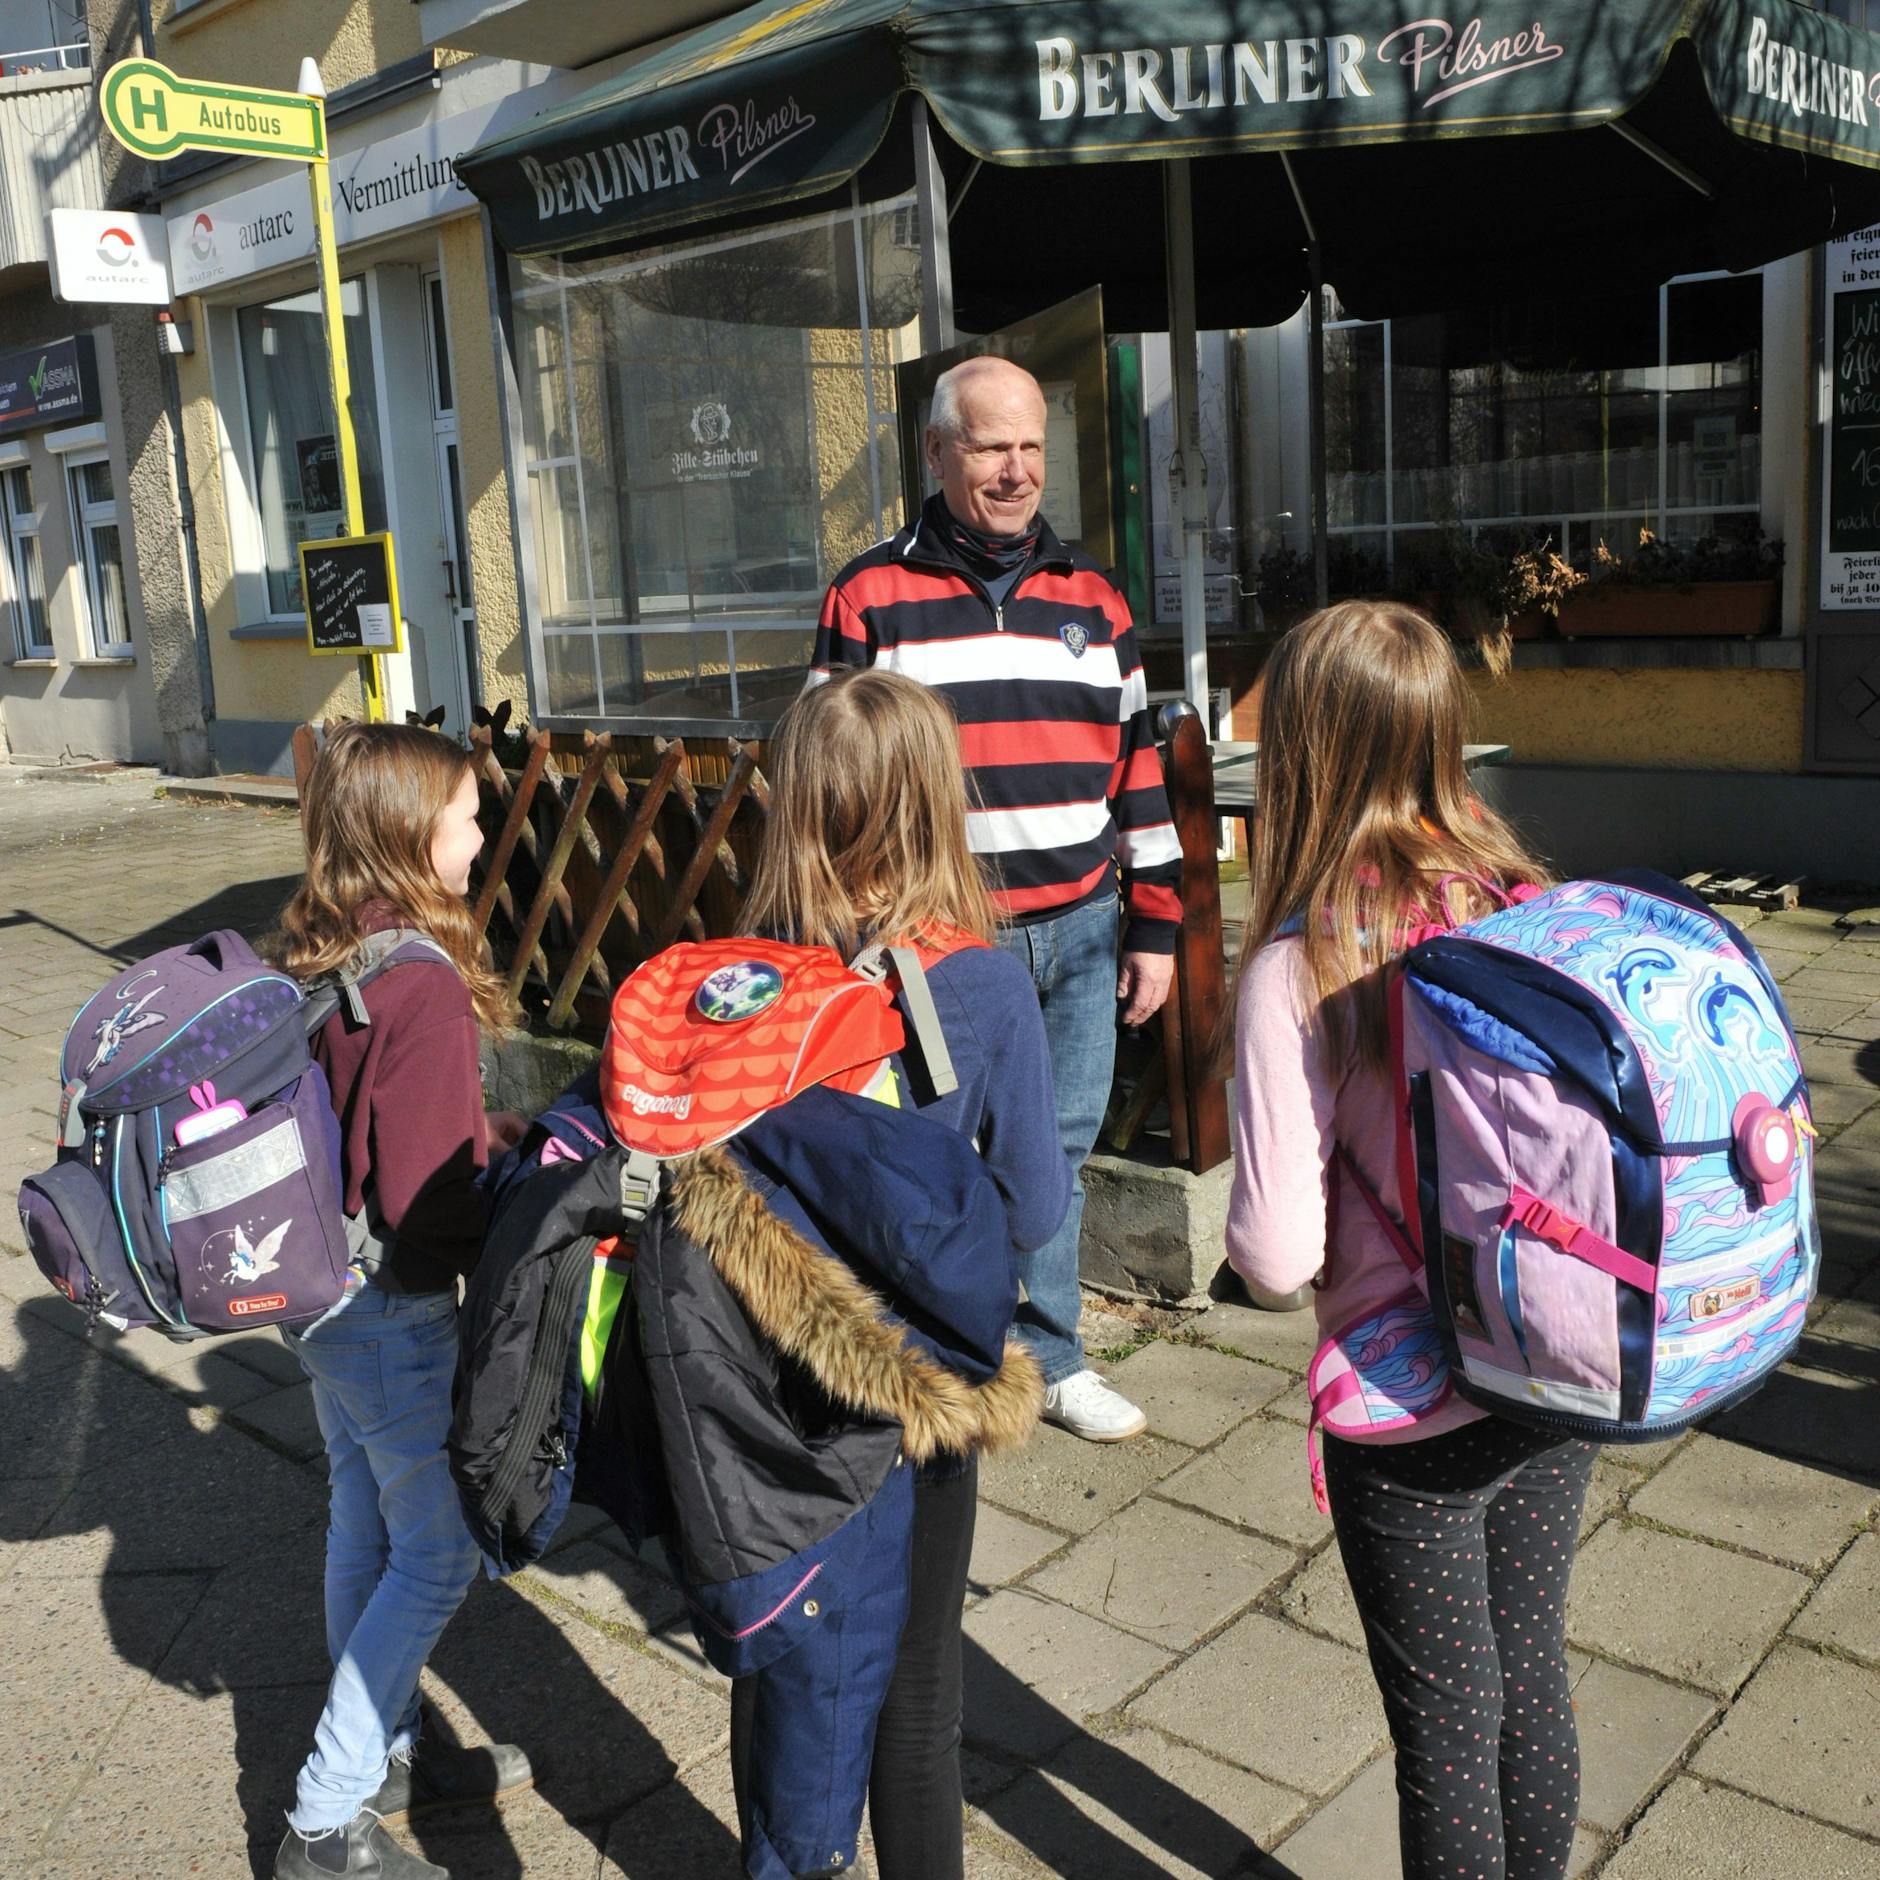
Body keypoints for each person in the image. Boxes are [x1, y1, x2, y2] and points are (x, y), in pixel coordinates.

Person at [1226, 603, 1595, 1880]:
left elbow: (1272, 1255)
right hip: (1549, 1356)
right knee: (1529, 1671)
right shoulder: (1525, 902)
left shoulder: (1297, 968)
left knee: (1444, 1722)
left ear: (1305, 751)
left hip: (1405, 1403)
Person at [734, 667, 1071, 1880]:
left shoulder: (746, 969)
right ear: (937, 802)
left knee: (783, 1653)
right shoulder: (980, 982)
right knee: (918, 1690)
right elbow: (1033, 1202)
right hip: (917, 1389)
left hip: (765, 1379)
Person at [810, 355, 1181, 1442]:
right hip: (933, 941)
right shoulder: (867, 596)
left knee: (1051, 1154)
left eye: (1029, 447)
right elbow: (832, 778)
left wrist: (1153, 924)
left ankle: (1053, 1358)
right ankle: (932, 1353)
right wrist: (852, 924)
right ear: (936, 454)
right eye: (988, 447)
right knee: (921, 1152)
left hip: (1076, 928)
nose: (1015, 471)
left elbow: (1138, 773)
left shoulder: (1094, 599)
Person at [265, 723, 533, 1880]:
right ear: (410, 830)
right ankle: (325, 1816)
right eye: (469, 814)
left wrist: (480, 1134)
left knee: (361, 1519)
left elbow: (367, 1124)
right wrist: (521, 1217)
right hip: (391, 1306)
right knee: (439, 1549)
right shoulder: (419, 982)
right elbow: (430, 1198)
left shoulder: (328, 949)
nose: (483, 836)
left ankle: (387, 1750)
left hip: (315, 1289)